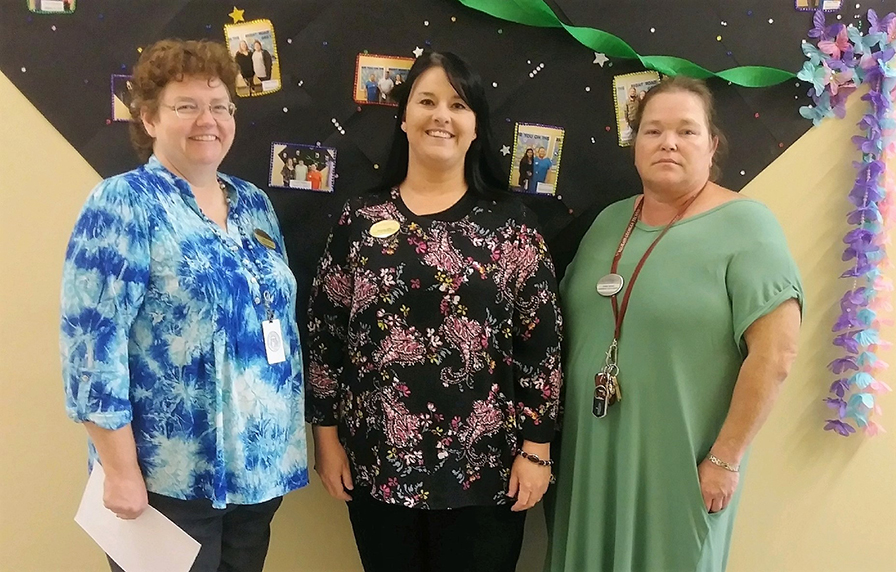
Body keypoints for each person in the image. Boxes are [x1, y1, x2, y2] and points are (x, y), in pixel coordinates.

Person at [306, 51, 563, 572]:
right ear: (403, 119)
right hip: (376, 464)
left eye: (458, 105)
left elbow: (543, 347)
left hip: (487, 470)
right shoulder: (359, 220)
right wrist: (326, 439)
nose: (441, 115)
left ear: (475, 129)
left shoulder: (513, 228)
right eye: (426, 101)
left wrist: (537, 449)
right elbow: (325, 335)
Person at [60, 38, 308, 572]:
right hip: (163, 482)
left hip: (257, 475)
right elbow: (89, 348)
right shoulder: (123, 203)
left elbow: (276, 324)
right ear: (149, 119)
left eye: (220, 106)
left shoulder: (254, 204)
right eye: (187, 106)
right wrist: (120, 470)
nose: (208, 120)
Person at [546, 76, 803, 572]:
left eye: (687, 131)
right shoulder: (609, 222)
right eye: (652, 130)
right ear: (635, 145)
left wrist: (726, 459)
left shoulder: (749, 226)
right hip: (591, 457)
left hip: (682, 465)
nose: (668, 142)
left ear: (712, 145)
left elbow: (776, 355)